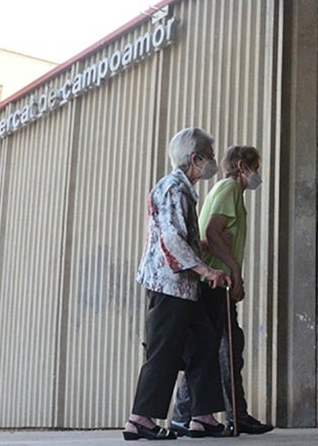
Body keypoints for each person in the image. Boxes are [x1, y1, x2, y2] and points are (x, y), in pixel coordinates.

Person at [123, 127, 232, 441]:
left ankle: (203, 417)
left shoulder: (181, 190)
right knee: (164, 351)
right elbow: (170, 240)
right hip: (169, 285)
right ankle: (139, 420)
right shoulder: (174, 189)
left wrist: (202, 249)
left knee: (204, 343)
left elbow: (175, 235)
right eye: (209, 156)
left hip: (184, 286)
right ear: (195, 158)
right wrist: (206, 271)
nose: (212, 162)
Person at [169, 146, 274, 436]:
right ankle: (193, 414)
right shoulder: (229, 189)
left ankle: (229, 414)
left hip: (217, 283)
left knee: (226, 349)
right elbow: (212, 233)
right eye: (255, 167)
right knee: (217, 351)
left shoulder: (227, 192)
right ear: (242, 166)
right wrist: (235, 272)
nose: (257, 174)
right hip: (215, 284)